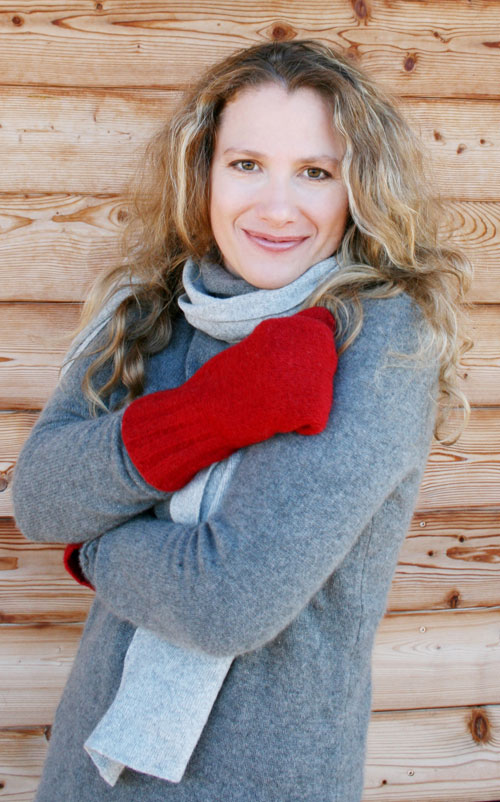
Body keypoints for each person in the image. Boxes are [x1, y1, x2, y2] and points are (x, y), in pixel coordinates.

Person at [12, 39, 471, 802]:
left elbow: (225, 600)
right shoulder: (149, 310)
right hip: (88, 769)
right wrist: (209, 412)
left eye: (316, 172)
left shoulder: (383, 339)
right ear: (204, 172)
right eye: (247, 164)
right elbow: (39, 498)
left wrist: (91, 545)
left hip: (260, 782)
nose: (277, 207)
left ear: (357, 189)